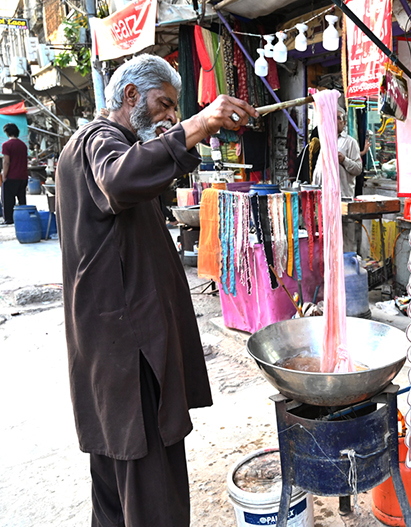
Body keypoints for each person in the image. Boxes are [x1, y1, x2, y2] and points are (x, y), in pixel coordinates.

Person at [55, 54, 257, 526]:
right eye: (164, 104)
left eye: (174, 108)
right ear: (130, 96)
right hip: (129, 357)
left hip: (115, 352)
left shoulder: (112, 146)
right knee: (151, 497)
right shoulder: (99, 141)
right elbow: (120, 177)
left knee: (117, 490)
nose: (169, 116)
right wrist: (196, 124)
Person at [313, 107, 362, 199]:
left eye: (338, 118)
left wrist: (344, 160)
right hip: (324, 196)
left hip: (342, 196)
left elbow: (358, 169)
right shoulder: (325, 141)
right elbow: (318, 169)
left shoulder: (350, 142)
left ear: (344, 123)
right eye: (332, 118)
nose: (335, 121)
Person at [1, 123, 29, 224]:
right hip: (23, 176)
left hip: (12, 176)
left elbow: (6, 162)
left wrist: (4, 175)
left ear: (7, 133)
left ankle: (9, 219)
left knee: (8, 200)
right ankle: (24, 217)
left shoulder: (6, 145)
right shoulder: (23, 145)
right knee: (22, 198)